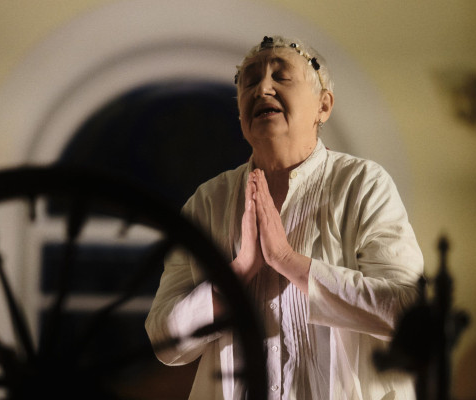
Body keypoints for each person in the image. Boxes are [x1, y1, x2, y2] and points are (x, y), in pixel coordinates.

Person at [145, 35, 424, 399]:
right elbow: (165, 344)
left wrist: (288, 261)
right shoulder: (207, 201)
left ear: (323, 106)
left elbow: (410, 314)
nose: (262, 88)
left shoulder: (363, 185)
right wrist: (238, 272)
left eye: (281, 76)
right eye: (250, 81)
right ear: (241, 112)